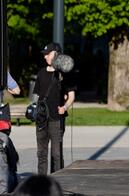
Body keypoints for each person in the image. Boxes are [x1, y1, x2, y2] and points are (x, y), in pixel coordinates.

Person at [34, 42, 76, 174]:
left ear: (56, 54)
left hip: (57, 119)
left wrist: (65, 107)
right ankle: (42, 182)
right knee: (41, 153)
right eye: (44, 54)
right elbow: (36, 95)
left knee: (56, 154)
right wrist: (34, 109)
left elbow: (71, 96)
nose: (45, 57)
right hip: (41, 119)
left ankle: (57, 181)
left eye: (48, 54)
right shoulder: (41, 73)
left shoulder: (64, 74)